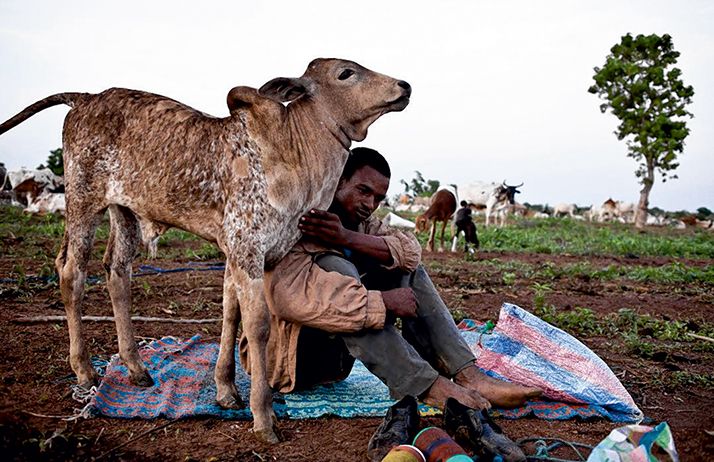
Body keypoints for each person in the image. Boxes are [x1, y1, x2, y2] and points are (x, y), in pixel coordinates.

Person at [239, 147, 541, 412]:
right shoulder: (298, 219)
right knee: (337, 270)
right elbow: (286, 300)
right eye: (363, 190)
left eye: (378, 198)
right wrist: (382, 302)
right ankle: (427, 387)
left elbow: (410, 252)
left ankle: (466, 374)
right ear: (339, 180)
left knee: (402, 267)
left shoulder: (358, 222)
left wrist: (347, 237)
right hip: (284, 364)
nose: (370, 204)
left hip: (334, 362)